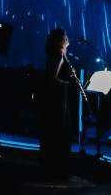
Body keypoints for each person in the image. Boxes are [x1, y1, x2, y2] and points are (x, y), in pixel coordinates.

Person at [40, 28, 77, 179]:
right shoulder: (59, 55)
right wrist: (68, 83)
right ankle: (57, 170)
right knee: (60, 133)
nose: (68, 38)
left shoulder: (58, 54)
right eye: (65, 36)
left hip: (57, 100)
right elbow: (52, 79)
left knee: (57, 133)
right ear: (60, 40)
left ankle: (54, 168)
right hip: (58, 101)